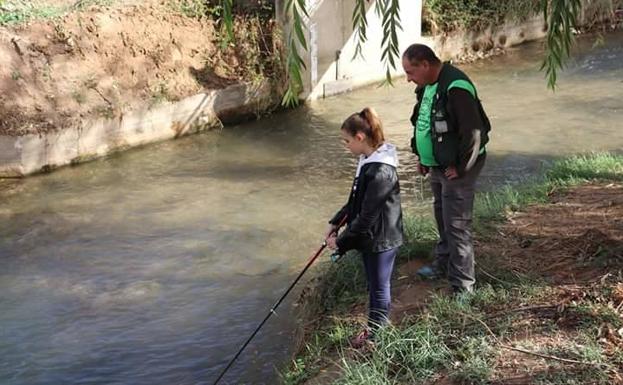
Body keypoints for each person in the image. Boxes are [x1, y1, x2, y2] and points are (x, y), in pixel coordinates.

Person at [401, 44, 491, 294]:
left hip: (457, 168)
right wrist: (424, 157)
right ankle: (443, 263)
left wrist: (462, 168)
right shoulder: (428, 85)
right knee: (443, 216)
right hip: (439, 165)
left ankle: (463, 286)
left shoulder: (456, 87)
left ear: (425, 65)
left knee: (457, 224)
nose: (408, 79)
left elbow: (473, 134)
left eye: (410, 72)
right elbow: (425, 121)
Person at [325, 107, 404, 348]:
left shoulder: (381, 171)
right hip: (370, 237)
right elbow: (355, 201)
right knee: (373, 285)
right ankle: (374, 327)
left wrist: (341, 243)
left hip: (382, 238)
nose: (345, 146)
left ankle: (376, 336)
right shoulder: (367, 160)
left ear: (360, 138)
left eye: (346, 141)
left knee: (380, 289)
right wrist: (334, 223)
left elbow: (367, 216)